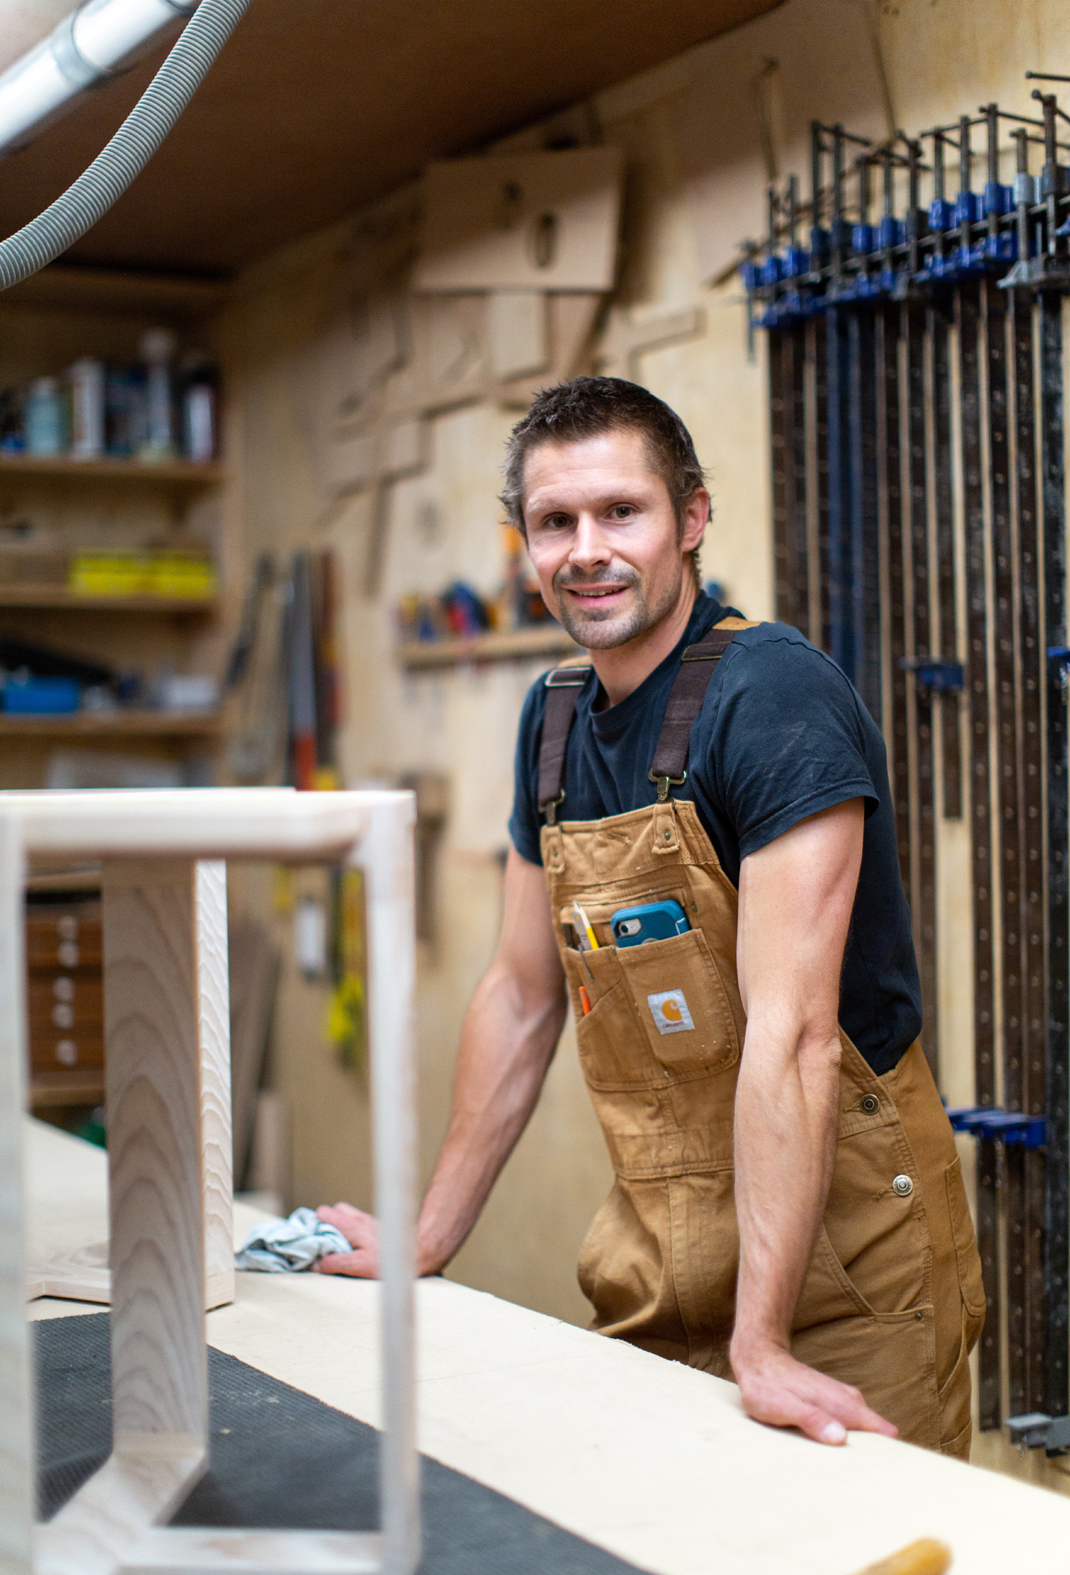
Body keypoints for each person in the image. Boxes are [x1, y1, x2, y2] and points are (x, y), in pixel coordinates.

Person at [316, 376, 984, 1457]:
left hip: (845, 1263)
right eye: (554, 522)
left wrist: (761, 1341)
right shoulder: (551, 721)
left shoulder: (771, 696)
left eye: (620, 512)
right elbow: (519, 995)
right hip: (662, 1248)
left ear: (691, 517)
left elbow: (795, 1034)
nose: (586, 550)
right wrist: (426, 1237)